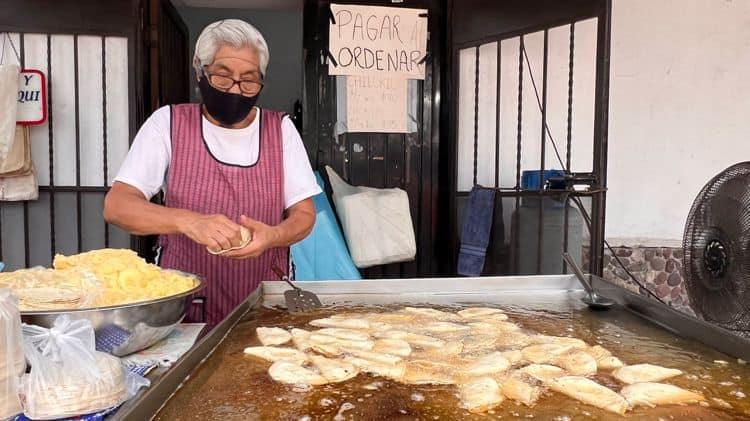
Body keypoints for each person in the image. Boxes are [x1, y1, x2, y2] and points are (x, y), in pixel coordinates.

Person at [104, 19, 321, 327]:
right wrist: (188, 221)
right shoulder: (168, 123)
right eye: (222, 76)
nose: (235, 89)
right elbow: (117, 206)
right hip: (185, 303)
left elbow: (304, 216)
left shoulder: (280, 130)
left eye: (248, 80)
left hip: (263, 302)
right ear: (200, 72)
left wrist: (273, 236)